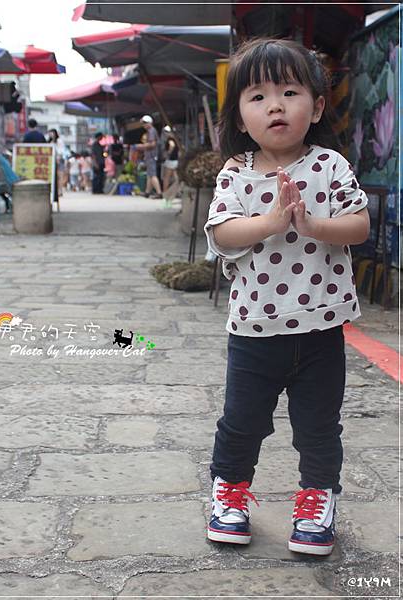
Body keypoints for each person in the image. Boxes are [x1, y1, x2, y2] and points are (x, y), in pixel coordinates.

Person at [204, 38, 370, 555]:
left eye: (289, 92)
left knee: (319, 426)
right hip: (255, 330)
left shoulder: (330, 165)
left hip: (321, 329)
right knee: (242, 421)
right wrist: (270, 222)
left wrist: (313, 224)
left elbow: (359, 225)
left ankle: (317, 499)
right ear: (240, 116)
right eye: (258, 96)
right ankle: (229, 493)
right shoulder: (236, 172)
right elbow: (221, 233)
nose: (275, 105)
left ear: (316, 107)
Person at [135, 115, 162, 199]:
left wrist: (141, 146)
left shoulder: (151, 131)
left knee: (152, 175)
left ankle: (159, 193)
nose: (143, 125)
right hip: (150, 156)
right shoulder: (150, 131)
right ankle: (147, 192)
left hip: (151, 156)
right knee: (149, 175)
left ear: (149, 123)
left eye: (145, 123)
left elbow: (152, 144)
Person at [162, 126, 179, 208]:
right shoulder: (176, 139)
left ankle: (165, 195)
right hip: (175, 161)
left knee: (166, 178)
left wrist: (168, 153)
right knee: (176, 179)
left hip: (170, 161)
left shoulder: (170, 139)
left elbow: (172, 145)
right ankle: (173, 195)